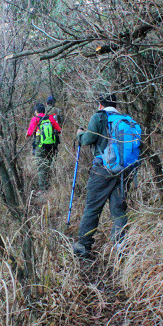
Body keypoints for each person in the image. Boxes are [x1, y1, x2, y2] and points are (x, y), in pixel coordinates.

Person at [74, 93, 141, 259]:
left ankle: (83, 247)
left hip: (103, 170)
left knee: (93, 206)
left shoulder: (99, 117)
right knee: (118, 209)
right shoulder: (125, 119)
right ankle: (121, 248)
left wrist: (80, 134)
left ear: (100, 104)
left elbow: (88, 139)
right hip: (124, 170)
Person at [25, 102, 62, 191]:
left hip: (40, 146)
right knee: (49, 164)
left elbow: (30, 132)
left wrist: (27, 135)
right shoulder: (50, 118)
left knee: (41, 166)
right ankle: (50, 184)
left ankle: (42, 189)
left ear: (36, 111)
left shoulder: (35, 119)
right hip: (51, 146)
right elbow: (59, 130)